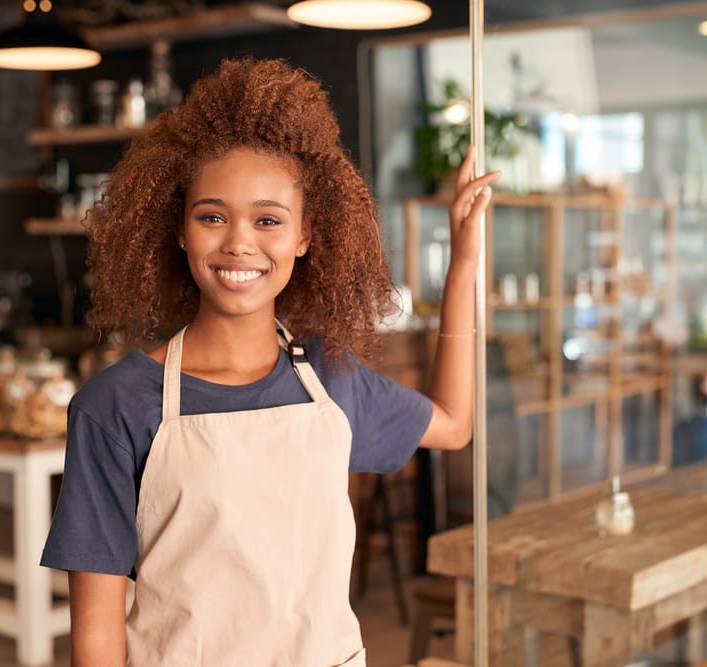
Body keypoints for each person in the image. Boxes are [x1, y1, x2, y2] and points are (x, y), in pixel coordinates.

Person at [40, 57, 500, 667]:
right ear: (178, 229)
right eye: (211, 216)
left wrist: (463, 266)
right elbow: (95, 640)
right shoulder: (115, 407)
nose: (239, 242)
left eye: (268, 220)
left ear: (306, 236)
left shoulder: (329, 381)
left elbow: (453, 422)